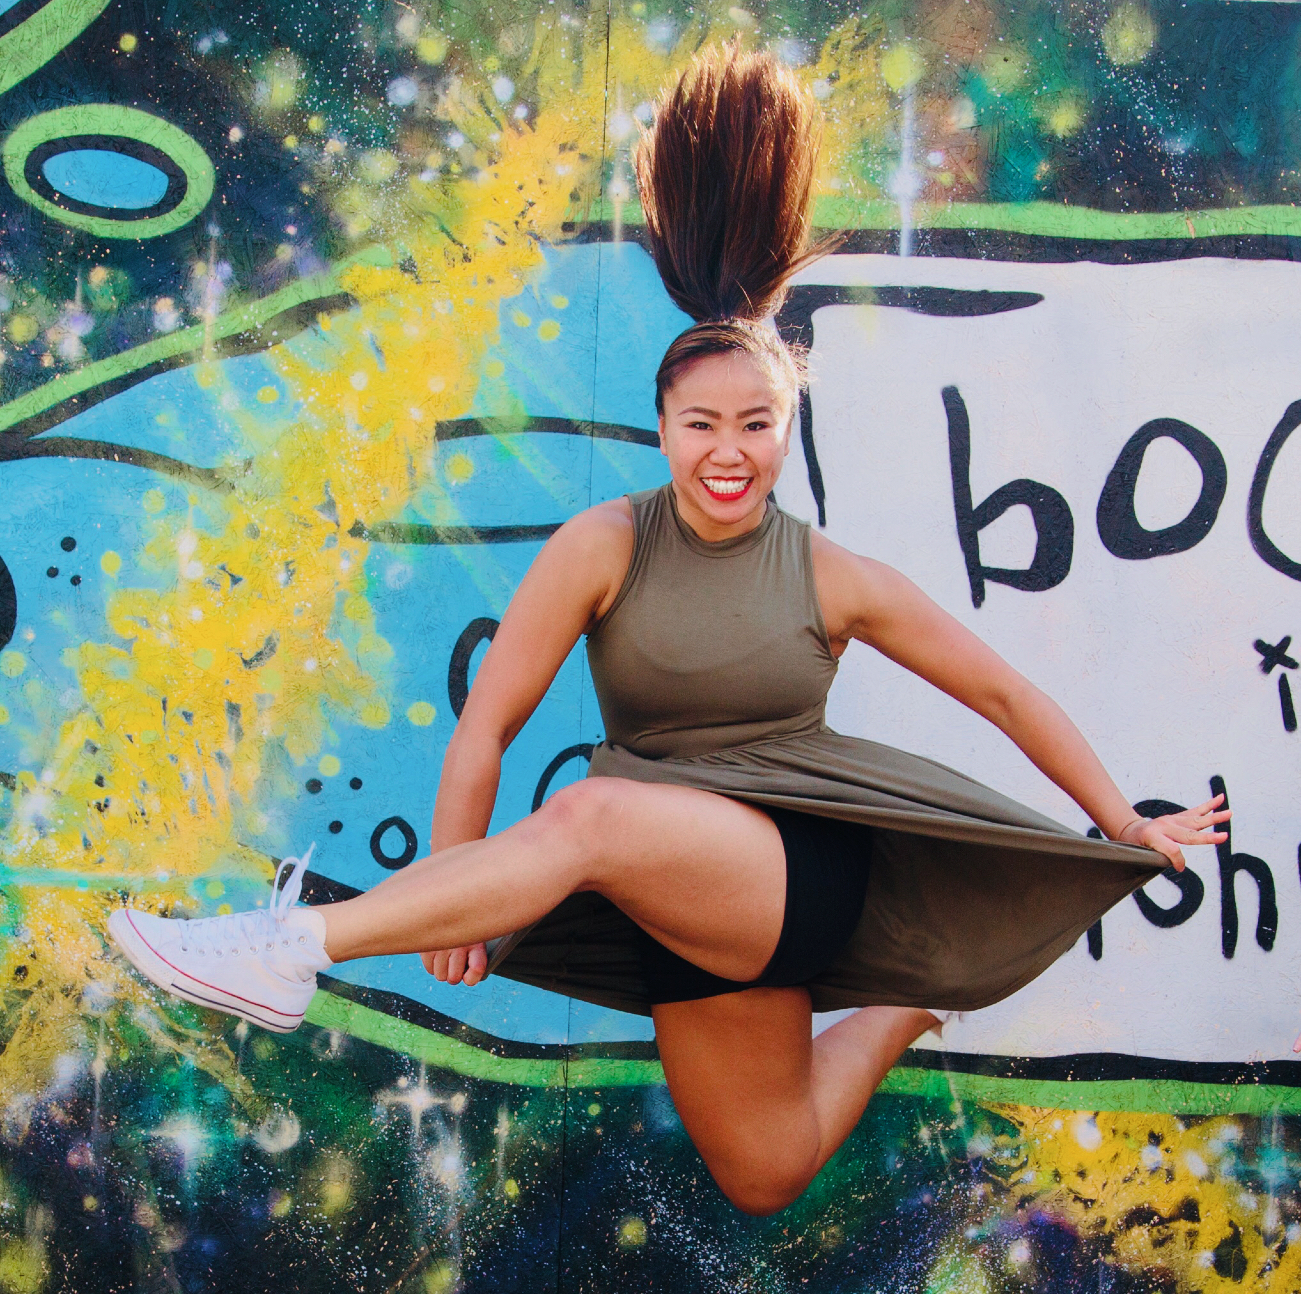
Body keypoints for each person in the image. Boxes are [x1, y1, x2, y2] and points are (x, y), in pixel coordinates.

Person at [109, 45, 1229, 1217]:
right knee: (764, 1166)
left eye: (755, 425)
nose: (727, 452)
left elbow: (1001, 693)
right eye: (702, 424)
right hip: (673, 890)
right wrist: (449, 890)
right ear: (661, 427)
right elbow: (488, 725)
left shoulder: (834, 578)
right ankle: (910, 1002)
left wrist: (1119, 821)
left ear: (785, 431)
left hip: (786, 869)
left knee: (590, 812)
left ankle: (289, 946)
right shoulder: (601, 546)